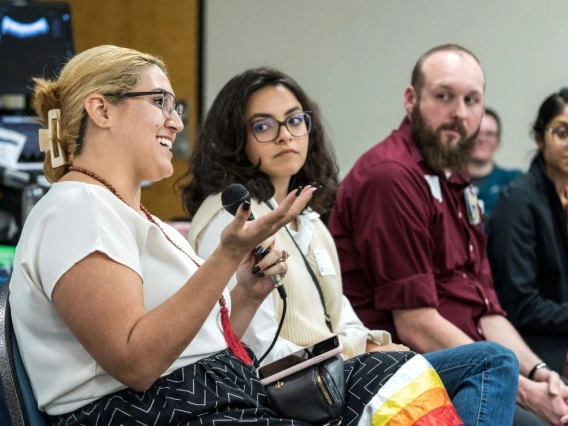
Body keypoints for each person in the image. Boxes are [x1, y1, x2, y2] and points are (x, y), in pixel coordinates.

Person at [181, 66, 519, 425]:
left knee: (482, 368)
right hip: (290, 388)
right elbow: (251, 343)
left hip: (337, 373)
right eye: (264, 126)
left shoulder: (308, 219)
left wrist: (372, 345)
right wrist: (355, 360)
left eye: (295, 121)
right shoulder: (232, 217)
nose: (285, 136)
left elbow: (341, 316)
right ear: (236, 138)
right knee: (490, 362)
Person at [9, 45, 319, 425]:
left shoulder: (121, 211)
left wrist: (247, 296)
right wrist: (224, 256)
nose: (176, 123)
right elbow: (137, 364)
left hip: (205, 406)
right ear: (102, 110)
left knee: (394, 380)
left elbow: (195, 348)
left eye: (176, 108)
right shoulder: (78, 208)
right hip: (150, 414)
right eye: (160, 102)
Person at [328, 44, 568, 426]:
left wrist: (539, 372)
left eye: (472, 100)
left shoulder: (452, 175)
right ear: (411, 99)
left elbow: (486, 310)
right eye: (444, 96)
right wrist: (525, 392)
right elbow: (416, 324)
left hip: (473, 366)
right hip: (401, 376)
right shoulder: (392, 177)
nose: (460, 113)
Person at [487, 89, 568, 377]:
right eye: (562, 132)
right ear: (538, 138)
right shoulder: (518, 201)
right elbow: (522, 305)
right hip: (536, 349)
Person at [468, 107, 521, 220]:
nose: (482, 139)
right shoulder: (448, 183)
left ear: (498, 141)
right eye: (476, 132)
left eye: (489, 134)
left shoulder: (515, 181)